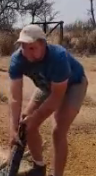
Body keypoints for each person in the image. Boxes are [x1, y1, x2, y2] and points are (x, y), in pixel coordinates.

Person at [8, 24, 88, 176]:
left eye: (32, 48)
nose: (27, 53)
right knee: (25, 123)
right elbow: (14, 97)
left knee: (58, 130)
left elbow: (57, 96)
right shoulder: (17, 60)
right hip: (47, 85)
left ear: (43, 44)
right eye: (24, 47)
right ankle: (39, 167)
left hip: (73, 85)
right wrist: (12, 129)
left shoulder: (58, 56)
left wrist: (36, 117)